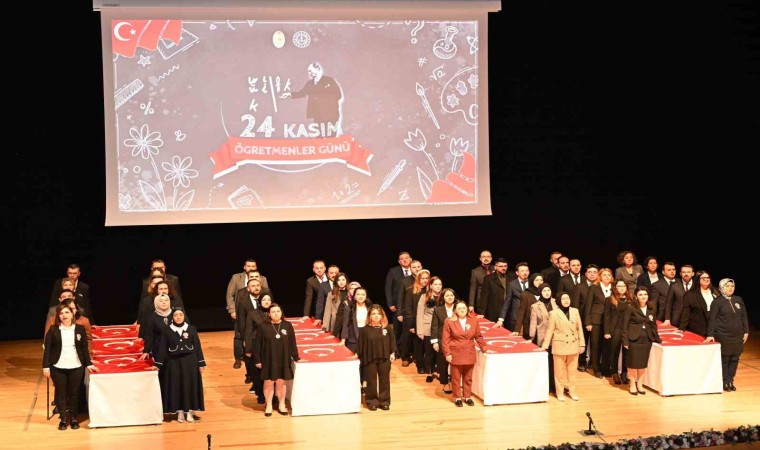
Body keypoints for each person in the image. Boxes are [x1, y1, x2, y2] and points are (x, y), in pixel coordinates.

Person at [42, 304, 98, 430]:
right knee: (61, 392)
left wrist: (89, 363)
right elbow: (48, 350)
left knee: (74, 393)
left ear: (72, 314)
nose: (64, 315)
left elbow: (84, 348)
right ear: (58, 316)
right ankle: (63, 418)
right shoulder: (54, 330)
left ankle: (73, 418)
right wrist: (45, 367)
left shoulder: (79, 329)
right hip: (58, 366)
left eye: (67, 312)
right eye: (61, 313)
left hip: (76, 366)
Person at [154, 308, 205, 423]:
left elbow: (197, 346)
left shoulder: (191, 329)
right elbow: (162, 348)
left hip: (190, 362)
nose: (178, 317)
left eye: (180, 315)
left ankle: (190, 412)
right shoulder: (167, 330)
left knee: (189, 386)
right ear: (172, 317)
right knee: (177, 386)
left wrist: (201, 363)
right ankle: (180, 411)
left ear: (184, 316)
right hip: (174, 363)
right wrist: (158, 364)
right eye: (175, 315)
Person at [254, 303, 299, 416]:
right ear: (269, 314)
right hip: (268, 359)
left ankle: (281, 404)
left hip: (283, 359)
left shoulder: (287, 325)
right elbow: (257, 344)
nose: (276, 314)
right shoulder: (263, 326)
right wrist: (258, 360)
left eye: (278, 311)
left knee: (281, 382)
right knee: (269, 382)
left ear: (281, 313)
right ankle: (269, 405)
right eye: (273, 312)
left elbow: (292, 343)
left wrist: (296, 357)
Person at [705, 279, 749, 392]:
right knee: (724, 359)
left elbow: (744, 316)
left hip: (737, 335)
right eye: (727, 286)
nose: (730, 288)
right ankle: (724, 382)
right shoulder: (717, 302)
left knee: (735, 359)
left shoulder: (738, 299)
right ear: (721, 288)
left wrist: (746, 331)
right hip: (723, 335)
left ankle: (730, 381)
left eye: (732, 286)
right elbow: (712, 319)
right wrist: (710, 334)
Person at [442, 300, 489, 407]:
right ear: (455, 310)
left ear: (467, 309)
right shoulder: (449, 321)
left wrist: (484, 348)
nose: (462, 310)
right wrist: (447, 353)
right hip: (456, 353)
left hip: (469, 352)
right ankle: (457, 397)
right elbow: (445, 339)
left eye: (464, 308)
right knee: (456, 378)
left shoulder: (473, 320)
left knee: (468, 377)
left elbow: (478, 336)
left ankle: (467, 397)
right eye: (459, 308)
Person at [281, 61, 344, 137]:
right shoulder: (310, 83)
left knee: (330, 138)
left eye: (310, 71)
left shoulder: (329, 81)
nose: (309, 73)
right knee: (319, 138)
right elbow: (302, 93)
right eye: (308, 71)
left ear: (317, 69)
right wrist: (290, 94)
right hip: (318, 116)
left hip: (330, 115)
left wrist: (324, 102)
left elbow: (338, 95)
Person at [542, 292, 585, 401]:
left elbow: (579, 328)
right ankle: (559, 392)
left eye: (568, 298)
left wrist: (582, 344)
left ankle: (572, 391)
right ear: (558, 301)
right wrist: (545, 345)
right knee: (559, 371)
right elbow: (550, 330)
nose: (566, 300)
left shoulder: (575, 311)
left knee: (572, 371)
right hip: (560, 345)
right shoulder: (553, 313)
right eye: (563, 299)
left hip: (573, 344)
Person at [226, 259, 269, 369]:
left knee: (256, 336)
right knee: (239, 336)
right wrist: (232, 310)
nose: (251, 268)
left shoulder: (262, 279)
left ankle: (256, 357)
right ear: (244, 267)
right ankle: (238, 358)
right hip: (242, 312)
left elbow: (266, 295)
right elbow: (230, 295)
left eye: (253, 266)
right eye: (248, 266)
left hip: (258, 314)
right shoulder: (236, 278)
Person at [621, 287, 661, 396]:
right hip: (633, 339)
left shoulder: (652, 308)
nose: (643, 296)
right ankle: (632, 384)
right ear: (636, 296)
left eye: (645, 294)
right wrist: (625, 341)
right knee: (633, 363)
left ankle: (640, 384)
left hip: (646, 339)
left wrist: (657, 338)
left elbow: (653, 325)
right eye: (640, 294)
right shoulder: (631, 307)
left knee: (642, 363)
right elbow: (624, 326)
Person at [357, 305, 396, 411]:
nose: (376, 316)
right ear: (369, 316)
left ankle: (384, 401)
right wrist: (359, 357)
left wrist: (392, 353)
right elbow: (360, 345)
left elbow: (392, 342)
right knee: (371, 381)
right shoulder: (364, 330)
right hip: (370, 359)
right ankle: (372, 401)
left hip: (384, 358)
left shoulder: (387, 328)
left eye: (378, 314)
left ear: (382, 316)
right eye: (373, 314)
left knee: (384, 380)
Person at [584, 267, 613, 378]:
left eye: (609, 275)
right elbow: (588, 305)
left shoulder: (614, 288)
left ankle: (605, 368)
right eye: (604, 275)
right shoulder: (594, 287)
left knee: (607, 346)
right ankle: (596, 368)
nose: (607, 277)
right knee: (595, 345)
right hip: (596, 320)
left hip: (609, 321)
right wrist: (588, 322)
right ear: (600, 277)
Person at [244, 294, 272, 403]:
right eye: (264, 299)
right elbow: (248, 332)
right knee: (258, 373)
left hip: (271, 346)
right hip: (257, 346)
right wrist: (248, 349)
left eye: (269, 299)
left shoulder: (274, 311)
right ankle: (260, 395)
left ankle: (271, 396)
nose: (266, 301)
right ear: (259, 301)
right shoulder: (253, 314)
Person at [529, 283, 557, 393]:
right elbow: (533, 323)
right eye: (544, 291)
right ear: (540, 292)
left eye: (548, 290)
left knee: (557, 363)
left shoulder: (556, 302)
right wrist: (531, 337)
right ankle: (547, 386)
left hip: (556, 337)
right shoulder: (535, 306)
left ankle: (556, 386)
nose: (547, 293)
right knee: (547, 363)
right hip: (543, 338)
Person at [400, 270, 430, 370]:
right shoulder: (411, 291)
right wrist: (411, 324)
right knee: (408, 339)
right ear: (418, 279)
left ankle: (419, 359)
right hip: (412, 319)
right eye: (423, 278)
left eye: (427, 278)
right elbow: (408, 308)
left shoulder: (429, 291)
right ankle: (405, 357)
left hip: (424, 320)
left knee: (420, 342)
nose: (425, 280)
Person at [604, 280, 632, 385]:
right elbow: (606, 316)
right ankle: (615, 372)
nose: (621, 288)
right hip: (615, 329)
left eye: (623, 286)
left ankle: (624, 373)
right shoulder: (609, 299)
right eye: (619, 286)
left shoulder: (631, 299)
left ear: (626, 287)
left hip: (627, 330)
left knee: (626, 353)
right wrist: (607, 331)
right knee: (614, 352)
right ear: (615, 288)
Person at [431, 288, 457, 394]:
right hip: (443, 339)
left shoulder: (459, 308)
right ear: (443, 298)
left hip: (456, 340)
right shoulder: (438, 310)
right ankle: (445, 383)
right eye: (447, 295)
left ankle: (456, 384)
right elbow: (435, 326)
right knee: (443, 363)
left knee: (456, 363)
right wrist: (435, 342)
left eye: (451, 295)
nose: (450, 297)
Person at [385, 251, 413, 348]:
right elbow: (388, 287)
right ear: (399, 261)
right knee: (397, 329)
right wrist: (390, 303)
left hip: (412, 306)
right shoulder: (393, 271)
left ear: (411, 259)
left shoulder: (415, 270)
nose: (404, 260)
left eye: (406, 258)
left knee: (411, 329)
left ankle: (410, 350)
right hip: (397, 305)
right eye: (402, 259)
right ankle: (396, 350)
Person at [416, 276, 441, 383]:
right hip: (427, 327)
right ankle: (429, 373)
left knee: (440, 352)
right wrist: (420, 331)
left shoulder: (444, 296)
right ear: (430, 285)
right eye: (435, 284)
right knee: (429, 352)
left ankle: (440, 371)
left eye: (439, 284)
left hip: (440, 328)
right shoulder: (424, 296)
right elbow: (420, 313)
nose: (438, 286)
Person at [679, 270, 719, 337]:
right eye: (703, 278)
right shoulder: (690, 294)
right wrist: (681, 327)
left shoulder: (716, 291)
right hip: (698, 328)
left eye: (708, 277)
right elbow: (686, 312)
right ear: (698, 280)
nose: (706, 279)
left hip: (715, 327)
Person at [496, 262, 530, 331]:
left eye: (526, 270)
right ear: (517, 273)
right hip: (516, 317)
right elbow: (507, 302)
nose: (525, 273)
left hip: (529, 317)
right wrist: (501, 319)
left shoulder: (532, 283)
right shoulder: (512, 284)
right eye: (522, 271)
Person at [511, 273, 543, 339]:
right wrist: (517, 330)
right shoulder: (525, 295)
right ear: (532, 281)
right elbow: (521, 312)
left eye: (541, 280)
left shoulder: (545, 293)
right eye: (537, 280)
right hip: (529, 326)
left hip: (543, 328)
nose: (539, 282)